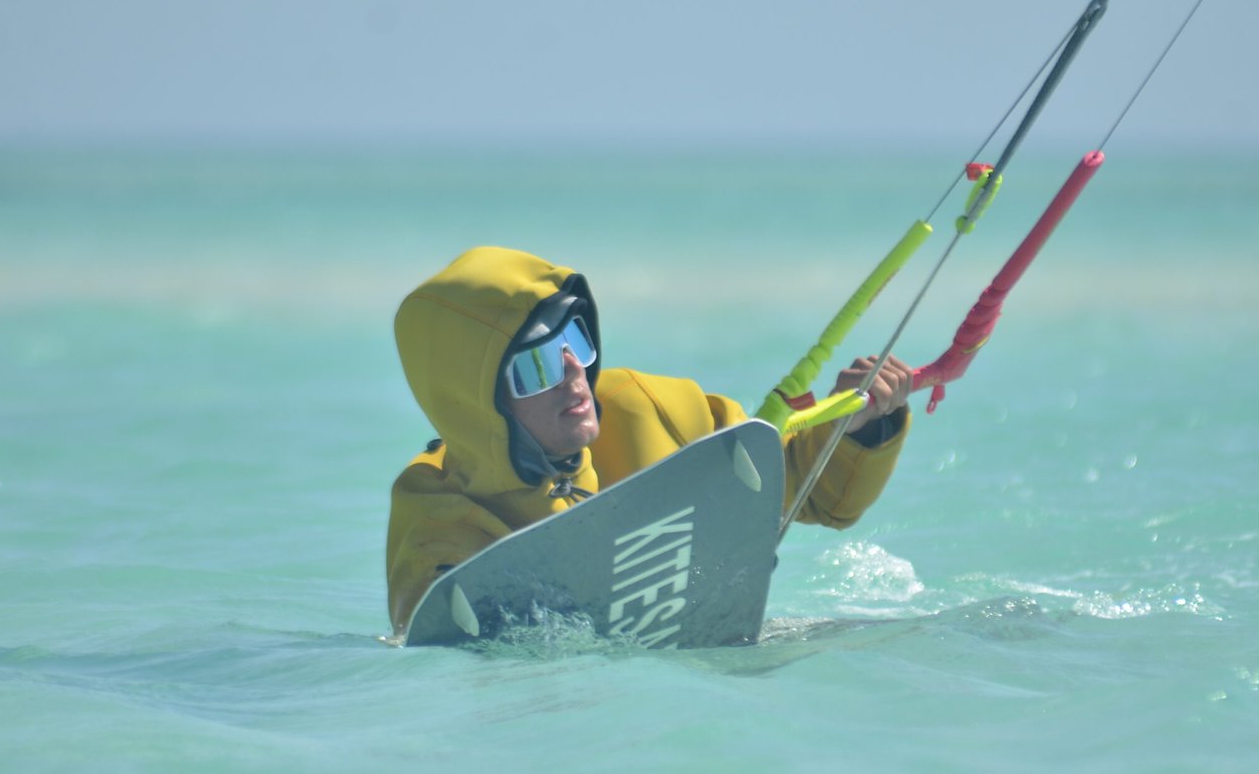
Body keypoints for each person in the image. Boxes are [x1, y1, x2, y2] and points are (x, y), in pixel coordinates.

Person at [384, 246, 916, 634]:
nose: (574, 374)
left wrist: (857, 429)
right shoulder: (438, 518)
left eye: (575, 340)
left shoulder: (648, 411)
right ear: (479, 403)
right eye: (539, 363)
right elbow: (431, 639)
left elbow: (815, 495)